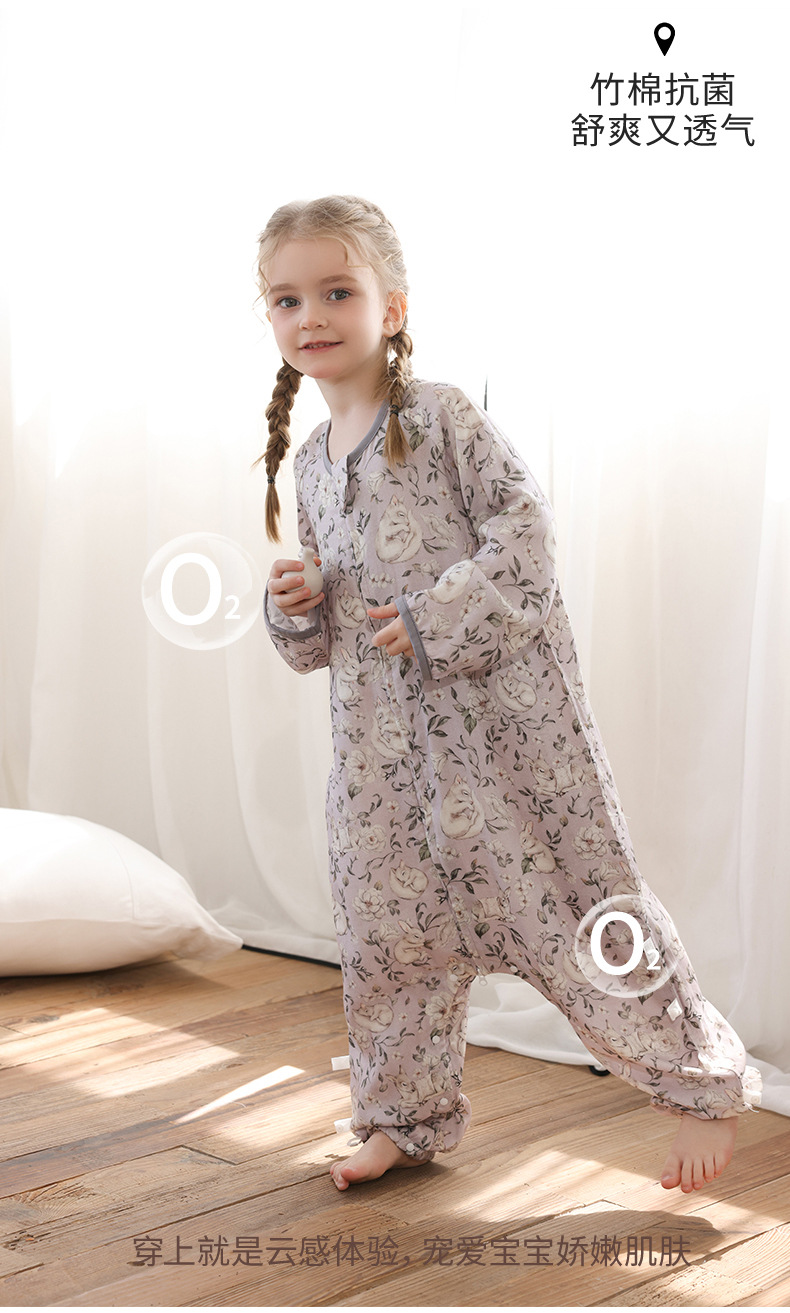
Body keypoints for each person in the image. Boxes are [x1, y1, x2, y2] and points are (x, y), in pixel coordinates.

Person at [254, 195, 762, 1194]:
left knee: (583, 903)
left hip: (507, 743)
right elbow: (321, 643)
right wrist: (295, 604)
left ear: (393, 307)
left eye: (337, 291)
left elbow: (526, 537)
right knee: (386, 934)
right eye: (287, 298)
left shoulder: (441, 418)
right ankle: (399, 1116)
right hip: (383, 766)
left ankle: (700, 1085)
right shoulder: (310, 465)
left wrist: (435, 615)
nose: (310, 315)